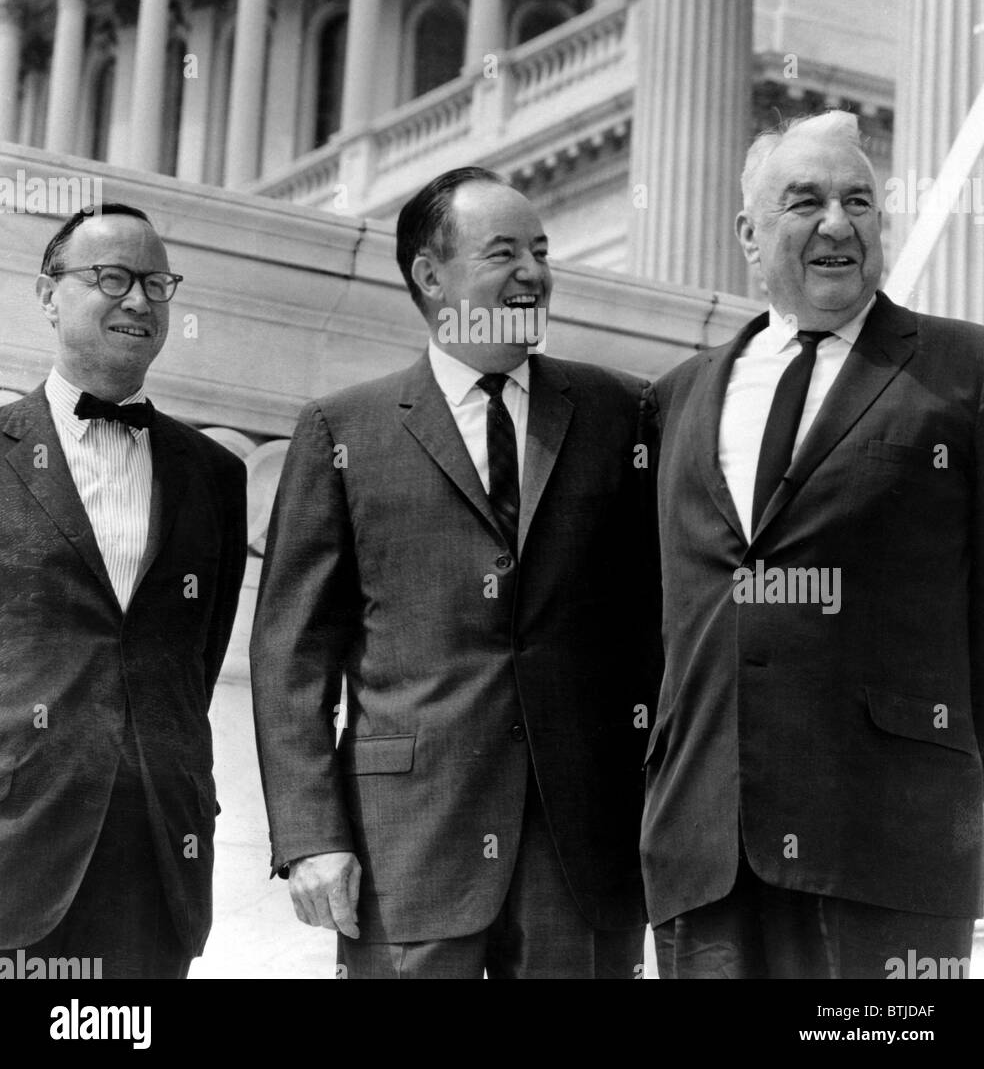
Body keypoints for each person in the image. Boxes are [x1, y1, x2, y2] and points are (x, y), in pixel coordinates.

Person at [250, 166, 658, 979]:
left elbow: (662, 622)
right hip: (406, 849)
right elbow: (291, 654)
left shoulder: (626, 413)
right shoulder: (343, 429)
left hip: (582, 856)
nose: (533, 273)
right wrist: (309, 836)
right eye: (503, 252)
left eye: (541, 252)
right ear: (431, 277)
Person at [641, 109, 984, 979]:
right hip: (707, 853)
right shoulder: (676, 398)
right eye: (807, 202)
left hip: (891, 843)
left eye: (859, 201)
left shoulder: (962, 372)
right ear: (750, 236)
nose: (839, 224)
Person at [0, 203, 247, 979]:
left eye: (155, 282)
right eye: (111, 277)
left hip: (155, 859)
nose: (138, 300)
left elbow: (194, 662)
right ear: (48, 295)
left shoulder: (215, 475)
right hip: (13, 847)